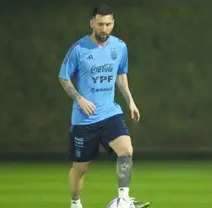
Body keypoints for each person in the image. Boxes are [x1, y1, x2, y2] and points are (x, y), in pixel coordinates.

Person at [58, 4, 150, 208]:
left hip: (110, 113)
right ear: (92, 23)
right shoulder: (79, 49)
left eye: (108, 24)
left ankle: (124, 199)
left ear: (113, 24)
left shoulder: (120, 47)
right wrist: (80, 99)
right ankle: (75, 203)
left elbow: (121, 75)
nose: (104, 29)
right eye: (100, 24)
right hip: (85, 119)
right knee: (80, 168)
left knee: (126, 149)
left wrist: (130, 101)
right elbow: (63, 78)